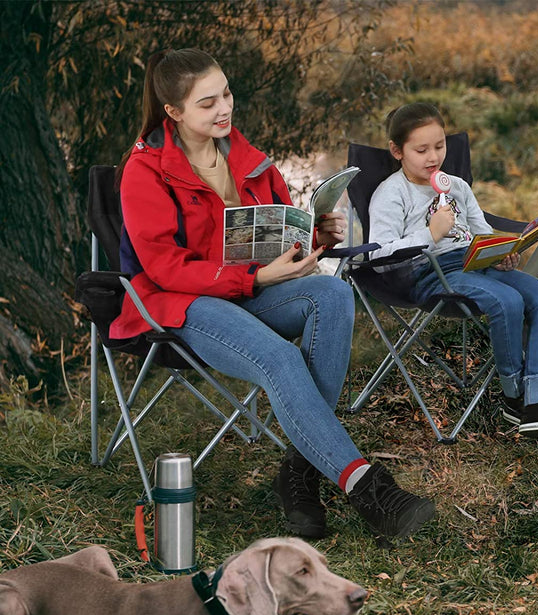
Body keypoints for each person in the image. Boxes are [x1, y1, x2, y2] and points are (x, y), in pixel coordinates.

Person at [111, 49, 434, 544]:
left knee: (331, 294)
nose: (224, 109)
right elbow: (163, 267)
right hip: (181, 303)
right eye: (207, 103)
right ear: (173, 112)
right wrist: (256, 280)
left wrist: (317, 237)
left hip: (251, 287)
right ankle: (367, 489)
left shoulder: (245, 156)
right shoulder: (146, 171)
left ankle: (297, 475)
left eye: (226, 94)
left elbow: (285, 230)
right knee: (279, 357)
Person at [368, 102, 538, 437]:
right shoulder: (392, 193)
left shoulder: (456, 186)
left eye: (439, 147)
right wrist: (431, 233)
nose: (433, 158)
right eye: (421, 149)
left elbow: (480, 231)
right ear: (397, 151)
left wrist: (500, 252)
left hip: (474, 263)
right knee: (508, 302)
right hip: (431, 274)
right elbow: (380, 253)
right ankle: (514, 400)